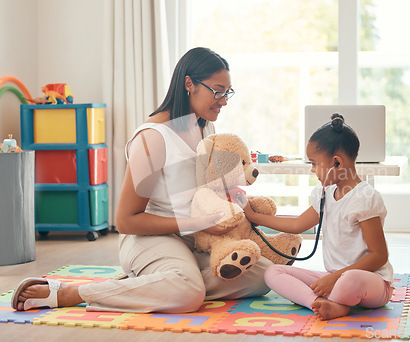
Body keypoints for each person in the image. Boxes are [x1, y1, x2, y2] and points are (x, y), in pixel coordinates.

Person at [11, 47, 272, 313]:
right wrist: (194, 223)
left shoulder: (206, 127)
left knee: (264, 274)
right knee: (188, 294)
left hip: (198, 238)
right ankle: (73, 293)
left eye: (227, 92)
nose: (224, 101)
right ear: (189, 84)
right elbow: (126, 221)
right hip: (151, 238)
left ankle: (159, 283)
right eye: (217, 91)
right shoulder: (153, 138)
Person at [237, 113, 394, 321]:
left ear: (337, 163)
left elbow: (379, 256)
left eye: (314, 163)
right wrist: (253, 216)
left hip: (370, 282)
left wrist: (336, 278)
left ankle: (335, 300)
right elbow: (296, 224)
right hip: (334, 280)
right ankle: (320, 304)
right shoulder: (324, 194)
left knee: (350, 280)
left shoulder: (364, 198)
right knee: (273, 272)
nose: (312, 170)